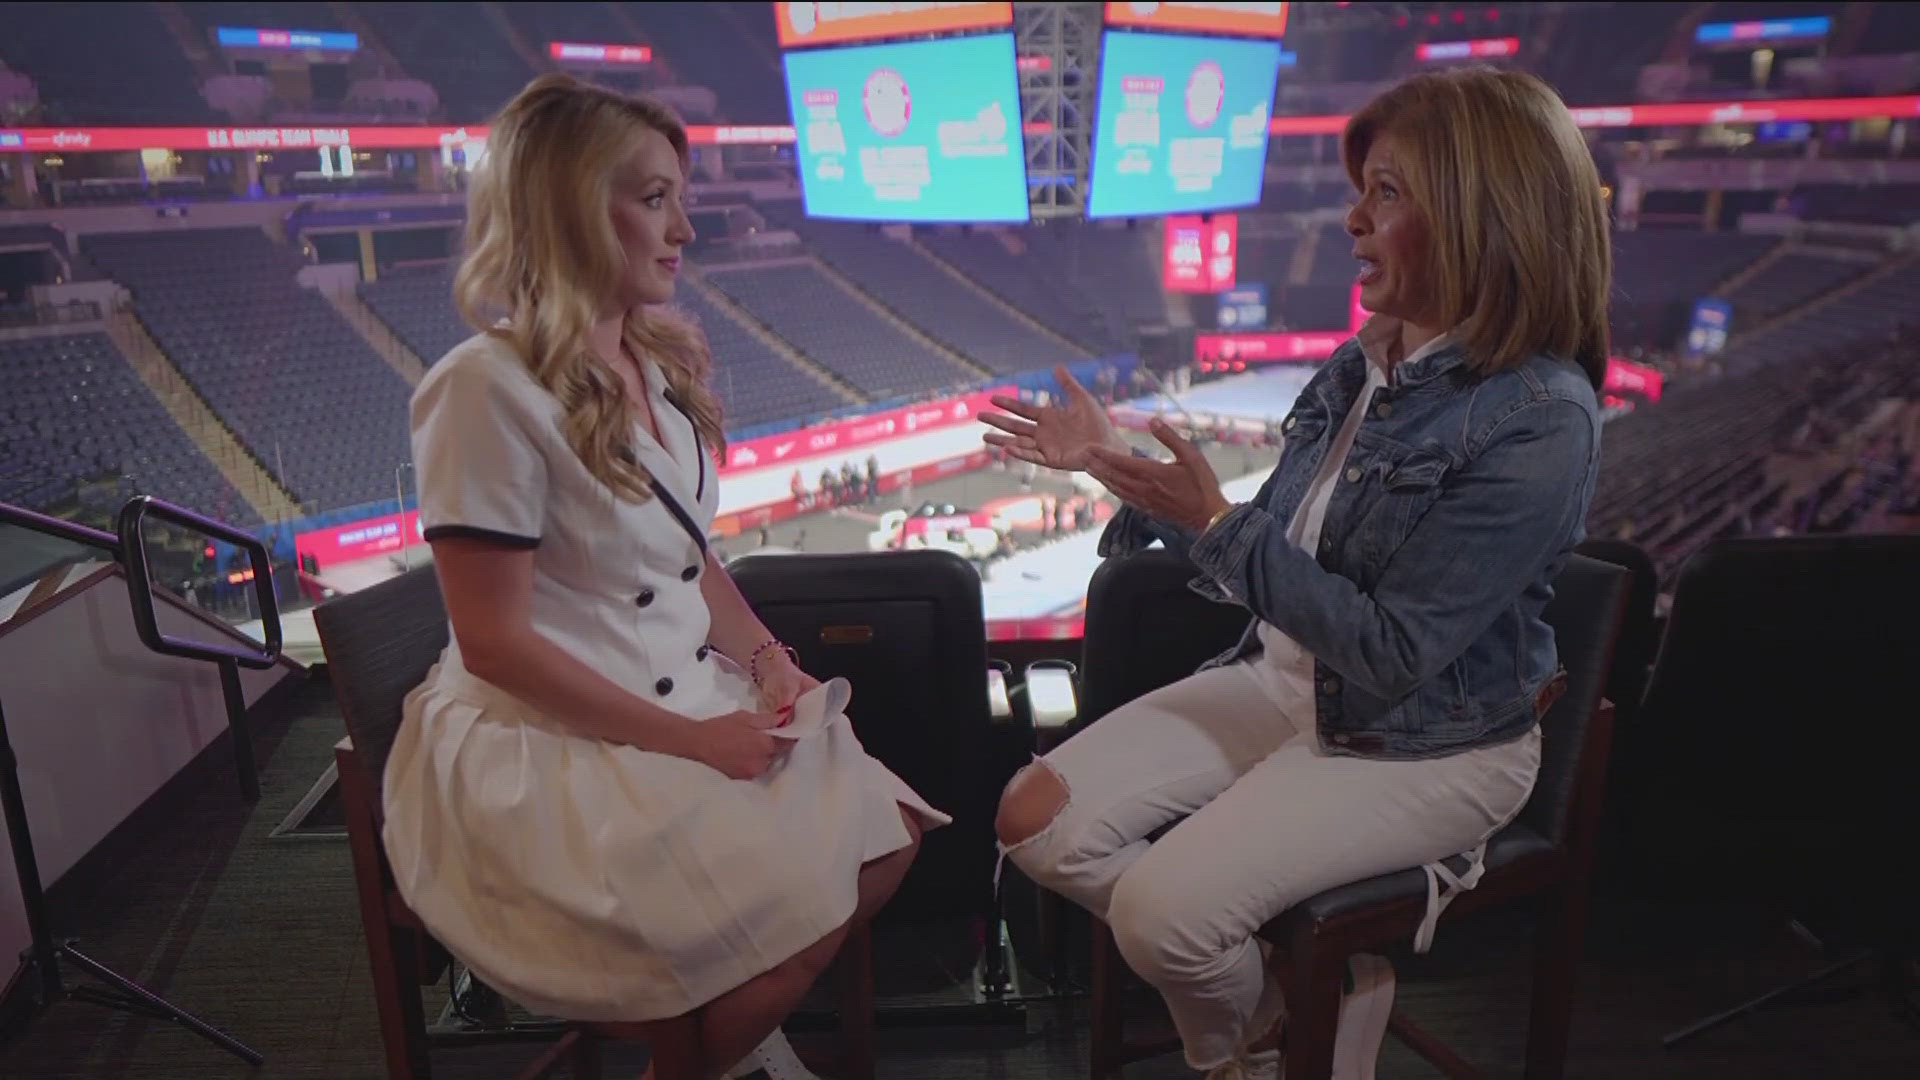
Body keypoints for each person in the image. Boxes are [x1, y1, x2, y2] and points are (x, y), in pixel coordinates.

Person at [980, 67, 1609, 1080]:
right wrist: (1110, 464)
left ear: (1482, 216)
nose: (1354, 218)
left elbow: (1395, 652)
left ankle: (1247, 1057)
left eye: (1389, 192)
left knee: (1159, 916)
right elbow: (1266, 543)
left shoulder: (1542, 414)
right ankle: (1288, 1005)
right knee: (1033, 821)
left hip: (1428, 744)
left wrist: (1220, 527)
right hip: (1288, 686)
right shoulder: (1363, 364)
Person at [384, 74, 948, 1080]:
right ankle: (705, 1049)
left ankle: (721, 1037)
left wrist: (770, 661)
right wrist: (694, 742)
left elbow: (692, 564)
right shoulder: (477, 389)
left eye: (678, 197)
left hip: (684, 704)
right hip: (553, 738)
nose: (684, 226)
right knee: (758, 914)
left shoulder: (655, 365)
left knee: (891, 831)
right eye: (653, 199)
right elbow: (497, 645)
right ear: (564, 206)